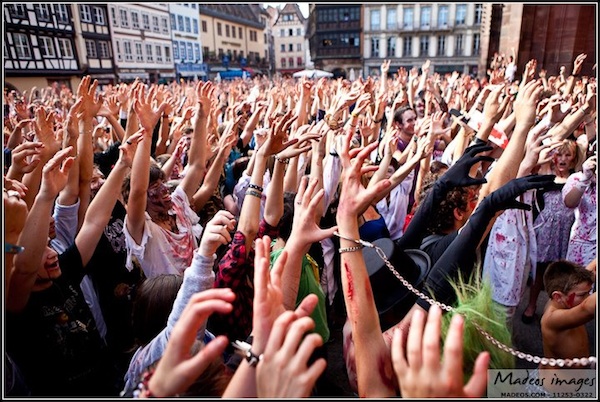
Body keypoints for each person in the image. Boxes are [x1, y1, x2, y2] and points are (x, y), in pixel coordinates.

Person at [522, 139, 578, 323]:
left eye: (567, 155)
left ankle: (555, 312)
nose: (562, 159)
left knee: (561, 273)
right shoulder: (546, 174)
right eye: (558, 154)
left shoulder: (576, 179)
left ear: (574, 158)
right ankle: (531, 305)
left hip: (567, 230)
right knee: (540, 271)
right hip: (546, 228)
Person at [526, 259, 596, 396]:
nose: (588, 297)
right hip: (551, 393)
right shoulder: (552, 319)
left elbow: (591, 270)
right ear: (558, 296)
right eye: (583, 295)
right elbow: (588, 308)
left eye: (589, 293)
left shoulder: (570, 298)